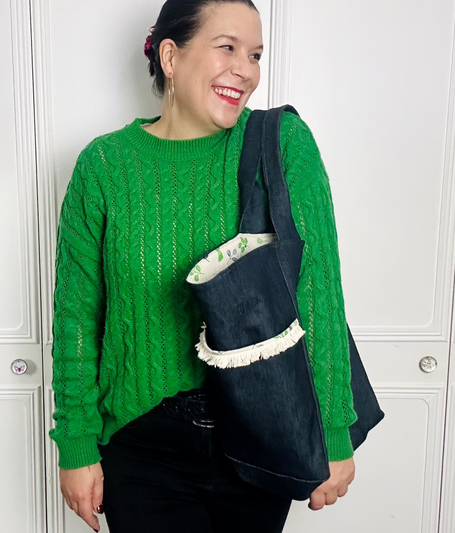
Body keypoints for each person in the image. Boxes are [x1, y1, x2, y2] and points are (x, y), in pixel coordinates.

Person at [49, 0, 358, 531]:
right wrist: (75, 443)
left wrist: (331, 431)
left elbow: (319, 293)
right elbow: (78, 315)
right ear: (171, 56)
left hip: (260, 429)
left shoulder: (281, 145)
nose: (246, 69)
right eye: (227, 48)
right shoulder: (105, 166)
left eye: (255, 54)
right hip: (140, 443)